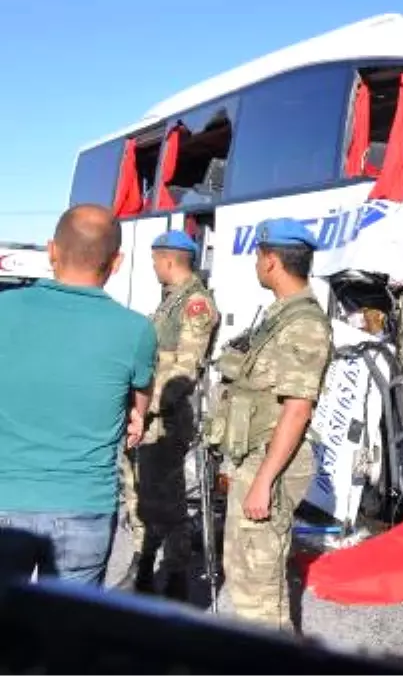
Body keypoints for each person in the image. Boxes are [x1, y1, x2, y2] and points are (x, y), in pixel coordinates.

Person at [0, 204, 154, 586]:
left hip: (6, 496)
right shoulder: (136, 330)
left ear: (52, 250)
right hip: (84, 506)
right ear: (116, 262)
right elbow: (138, 410)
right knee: (66, 638)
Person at [205, 218, 332, 632]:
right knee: (245, 572)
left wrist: (263, 479)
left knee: (258, 587)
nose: (257, 265)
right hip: (256, 454)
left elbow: (297, 408)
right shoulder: (279, 316)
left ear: (272, 261)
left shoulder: (304, 324)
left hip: (271, 460)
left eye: (259, 257)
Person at [117, 230, 218, 599]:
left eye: (155, 260)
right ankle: (142, 570)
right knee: (138, 495)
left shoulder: (195, 304)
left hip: (166, 419)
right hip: (145, 417)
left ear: (169, 259)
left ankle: (176, 578)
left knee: (169, 502)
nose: (154, 267)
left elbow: (184, 372)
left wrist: (145, 410)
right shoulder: (171, 302)